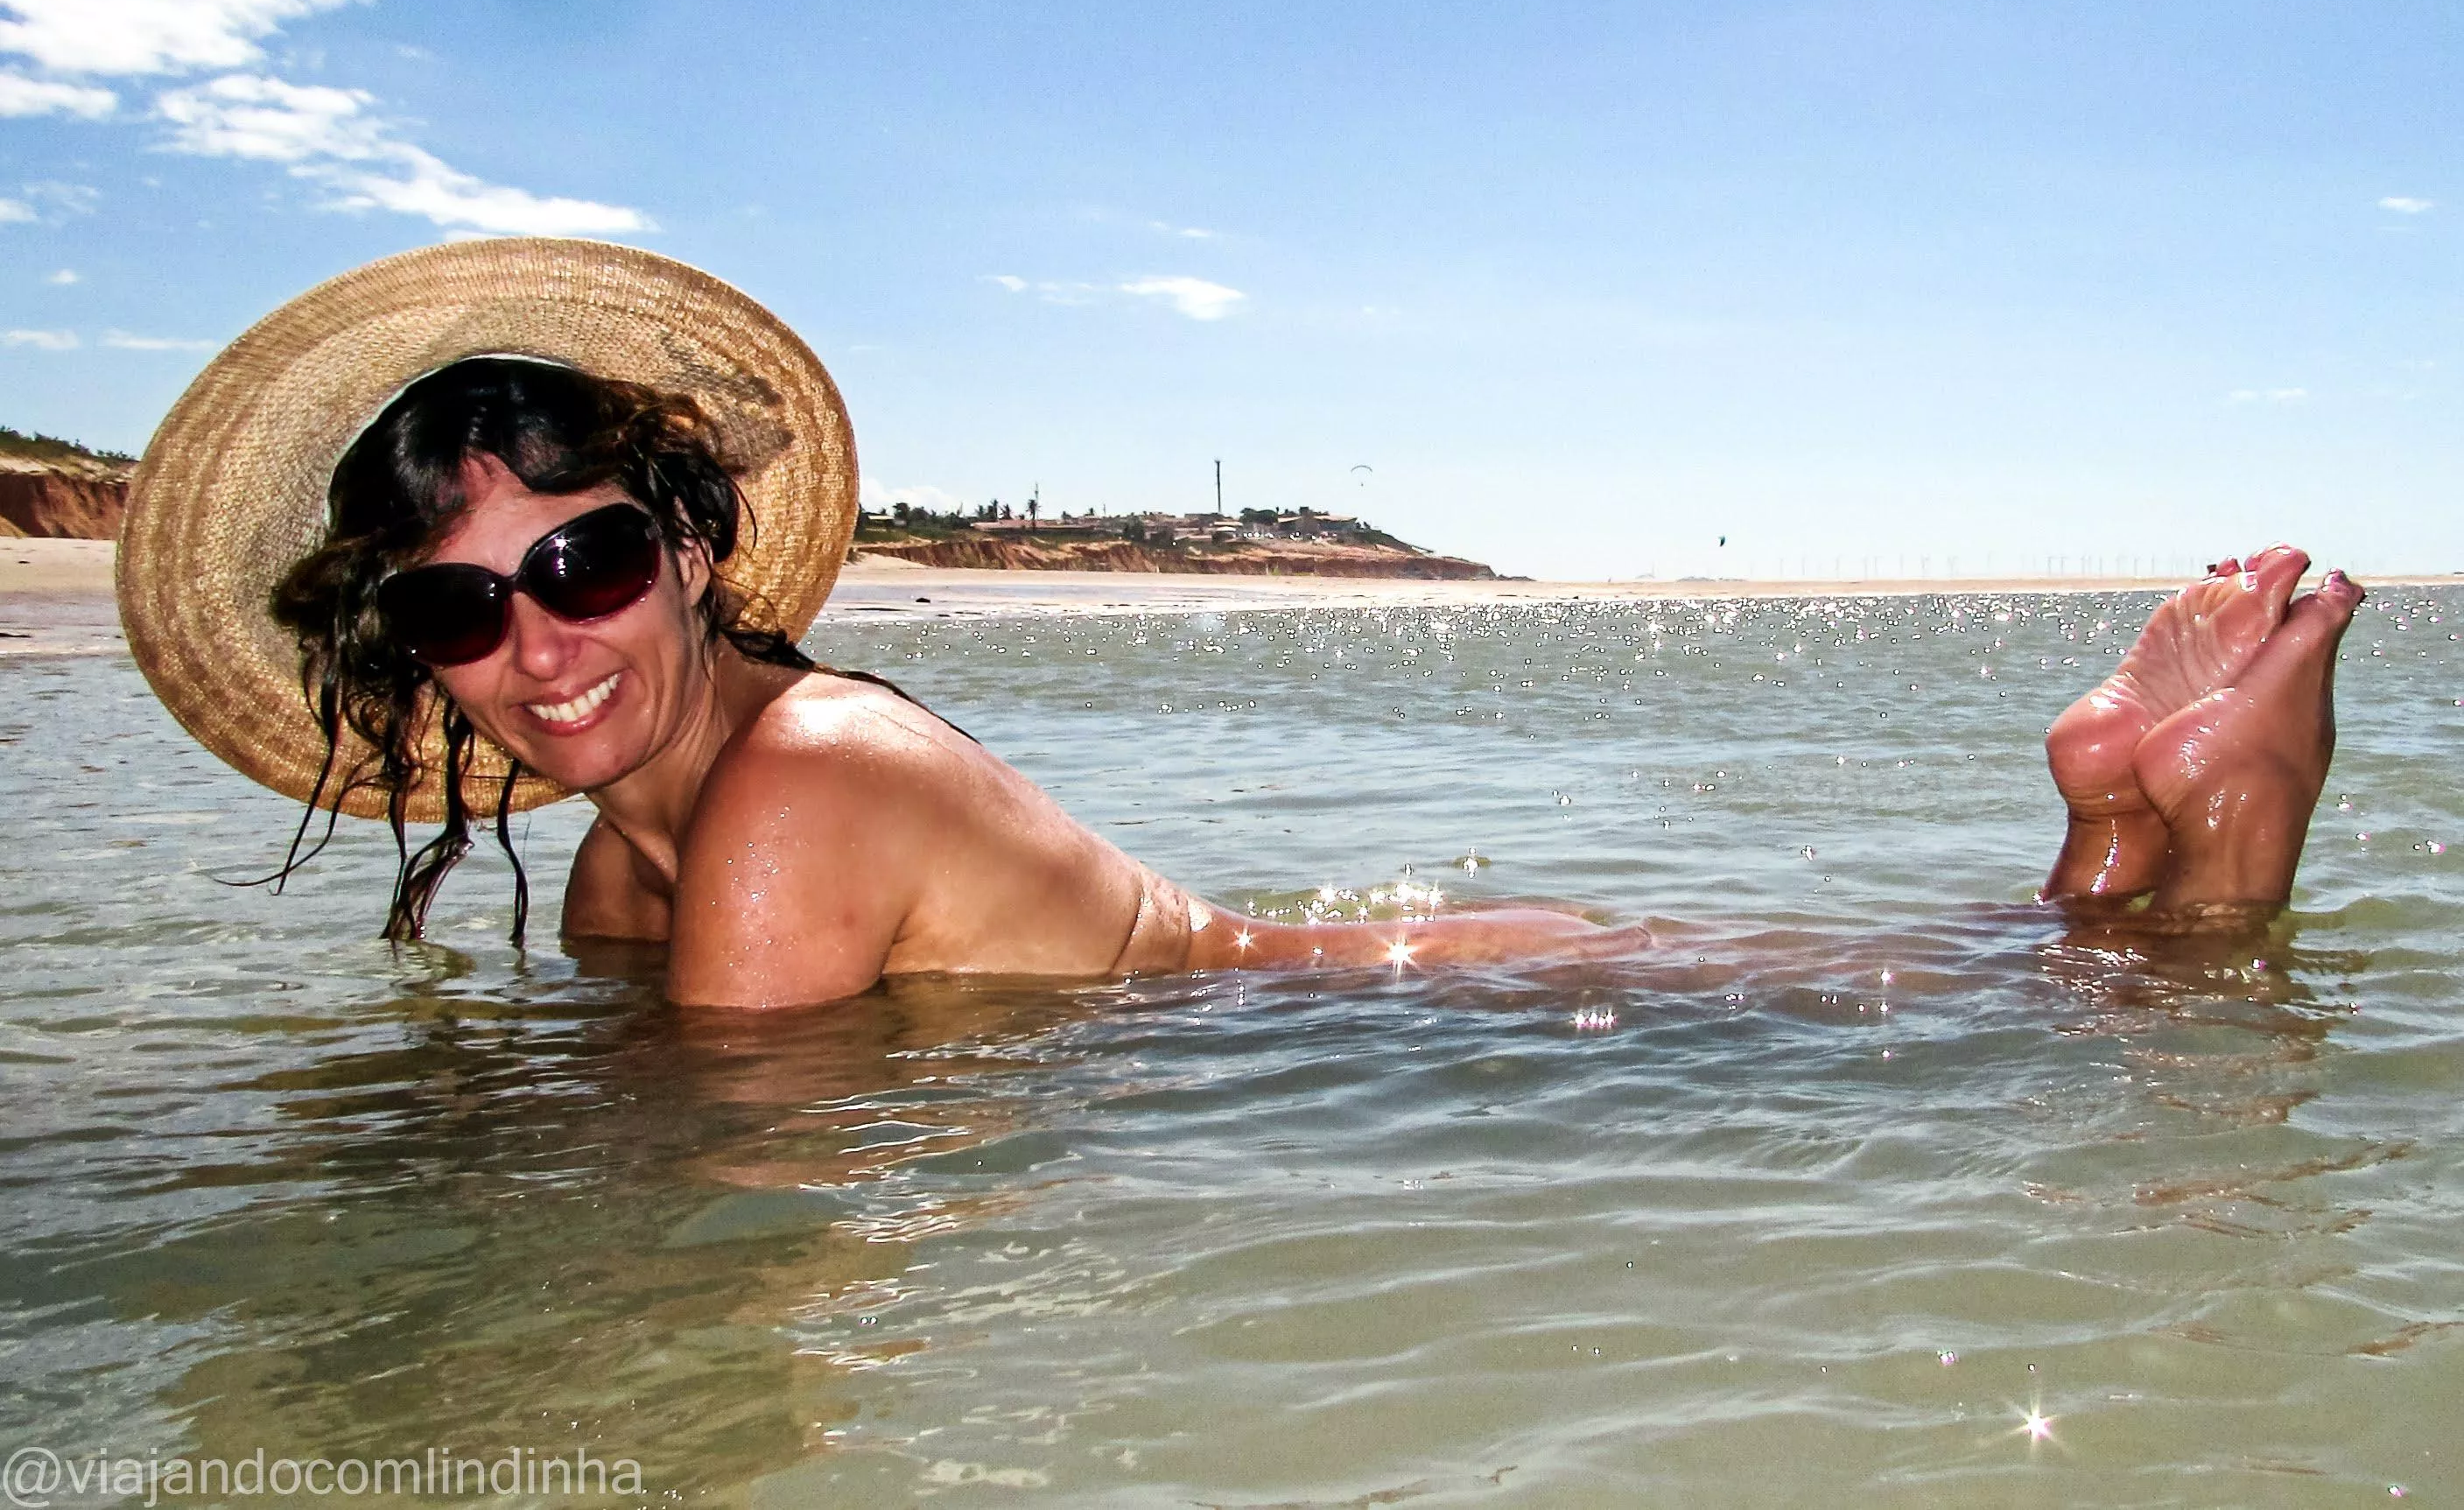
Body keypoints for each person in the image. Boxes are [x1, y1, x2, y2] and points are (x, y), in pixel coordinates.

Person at [119, 242, 2362, 1011]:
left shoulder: (790, 793)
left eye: (586, 560)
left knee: (2042, 1018)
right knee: (2043, 976)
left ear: (693, 553)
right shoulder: (650, 831)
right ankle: (2123, 836)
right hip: (1330, 987)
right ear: (409, 646)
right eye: (459, 604)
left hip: (1384, 1031)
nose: (543, 640)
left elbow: (705, 1190)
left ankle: (2218, 831)